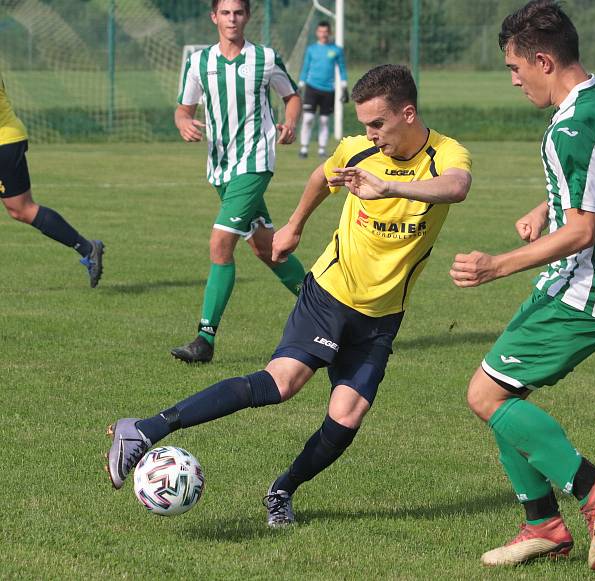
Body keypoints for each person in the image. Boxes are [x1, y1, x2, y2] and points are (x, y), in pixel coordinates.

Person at [105, 64, 472, 528]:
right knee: (283, 382)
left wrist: (390, 187)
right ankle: (145, 429)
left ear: (408, 112)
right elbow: (322, 178)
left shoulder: (447, 154)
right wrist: (295, 225)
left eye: (378, 124)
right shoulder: (358, 151)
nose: (370, 135)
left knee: (347, 416)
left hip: (382, 315)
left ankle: (282, 490)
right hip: (331, 294)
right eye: (364, 126)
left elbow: (456, 187)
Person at [449, 1, 595, 570]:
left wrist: (497, 264)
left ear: (542, 59)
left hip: (589, 288)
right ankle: (544, 527)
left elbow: (581, 230)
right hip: (583, 281)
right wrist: (546, 205)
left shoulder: (572, 127)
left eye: (514, 68)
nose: (513, 80)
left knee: (485, 395)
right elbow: (593, 188)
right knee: (499, 391)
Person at [171, 0, 305, 364]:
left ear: (247, 17)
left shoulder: (264, 58)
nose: (232, 19)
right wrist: (184, 123)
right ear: (214, 17)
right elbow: (184, 109)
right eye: (225, 13)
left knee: (220, 244)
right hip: (221, 169)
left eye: (239, 13)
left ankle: (204, 339)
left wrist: (289, 122)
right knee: (267, 249)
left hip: (255, 163)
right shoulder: (199, 62)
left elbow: (291, 96)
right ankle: (326, 307)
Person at [0, 74, 104, 287]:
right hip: (8, 141)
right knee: (20, 210)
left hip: (4, 141)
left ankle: (88, 249)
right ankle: (88, 249)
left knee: (23, 208)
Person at [297, 20, 348, 159]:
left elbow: (342, 68)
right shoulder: (311, 49)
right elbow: (305, 67)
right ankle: (304, 148)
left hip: (328, 90)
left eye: (326, 32)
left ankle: (321, 149)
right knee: (308, 118)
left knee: (324, 120)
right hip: (312, 87)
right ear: (317, 33)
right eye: (321, 31)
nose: (323, 34)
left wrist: (344, 86)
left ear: (329, 32)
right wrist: (301, 85)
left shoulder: (336, 50)